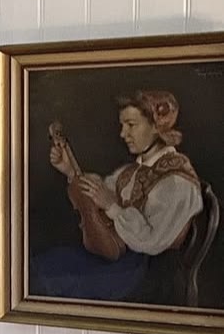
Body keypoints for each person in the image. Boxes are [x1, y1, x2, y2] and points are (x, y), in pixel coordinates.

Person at [32, 90, 203, 303]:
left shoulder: (177, 182)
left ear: (156, 127)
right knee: (47, 263)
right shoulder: (131, 172)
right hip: (117, 259)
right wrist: (70, 170)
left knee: (51, 277)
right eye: (123, 125)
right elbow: (96, 197)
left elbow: (150, 241)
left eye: (131, 125)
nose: (123, 134)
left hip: (145, 273)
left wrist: (112, 206)